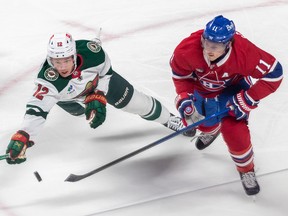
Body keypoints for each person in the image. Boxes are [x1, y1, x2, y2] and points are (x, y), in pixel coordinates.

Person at [5, 33, 196, 165]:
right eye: (56, 62)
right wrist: (24, 136)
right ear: (50, 60)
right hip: (69, 99)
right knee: (83, 114)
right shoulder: (48, 80)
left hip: (97, 84)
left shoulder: (93, 53)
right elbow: (37, 111)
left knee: (138, 103)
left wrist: (99, 94)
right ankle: (86, 106)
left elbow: (106, 73)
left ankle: (170, 120)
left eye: (65, 60)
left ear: (73, 55)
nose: (61, 66)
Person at [170, 15, 283, 196]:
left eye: (216, 46)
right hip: (203, 90)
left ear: (229, 43)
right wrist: (185, 97)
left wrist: (248, 98)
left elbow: (275, 73)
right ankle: (211, 130)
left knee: (236, 133)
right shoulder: (187, 49)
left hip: (233, 90)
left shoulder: (245, 52)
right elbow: (180, 75)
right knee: (201, 122)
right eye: (206, 43)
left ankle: (246, 170)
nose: (209, 50)